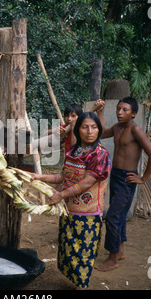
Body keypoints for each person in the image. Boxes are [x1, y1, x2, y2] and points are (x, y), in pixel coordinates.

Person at [31, 112, 111, 289]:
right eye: (85, 127)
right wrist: (39, 176)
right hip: (68, 211)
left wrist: (61, 195)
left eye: (94, 127)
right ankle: (77, 283)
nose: (90, 131)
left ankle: (82, 286)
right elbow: (62, 177)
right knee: (70, 249)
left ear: (99, 129)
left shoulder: (100, 154)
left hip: (87, 214)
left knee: (84, 252)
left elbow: (87, 182)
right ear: (77, 129)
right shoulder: (73, 151)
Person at [95, 97, 151, 272]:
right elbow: (102, 133)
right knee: (120, 215)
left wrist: (143, 178)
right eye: (118, 109)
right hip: (115, 175)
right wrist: (100, 112)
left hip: (127, 179)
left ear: (133, 113)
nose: (120, 112)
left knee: (113, 217)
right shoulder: (117, 128)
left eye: (125, 110)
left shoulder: (135, 130)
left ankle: (113, 257)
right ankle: (120, 250)